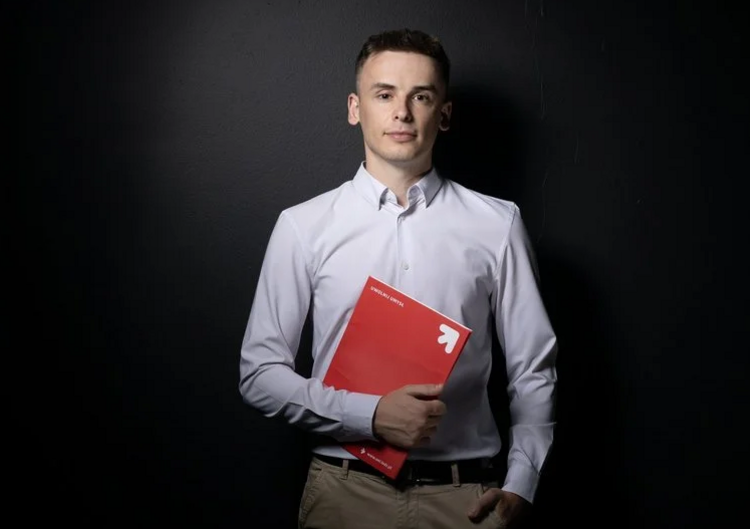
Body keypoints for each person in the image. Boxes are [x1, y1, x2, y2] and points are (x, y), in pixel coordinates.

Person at [238, 28, 557, 529]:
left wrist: (524, 480)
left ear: (444, 113)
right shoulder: (303, 226)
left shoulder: (498, 225)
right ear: (355, 107)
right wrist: (368, 415)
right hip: (344, 494)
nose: (402, 112)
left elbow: (532, 367)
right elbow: (259, 374)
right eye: (384, 94)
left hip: (465, 501)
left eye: (421, 96)